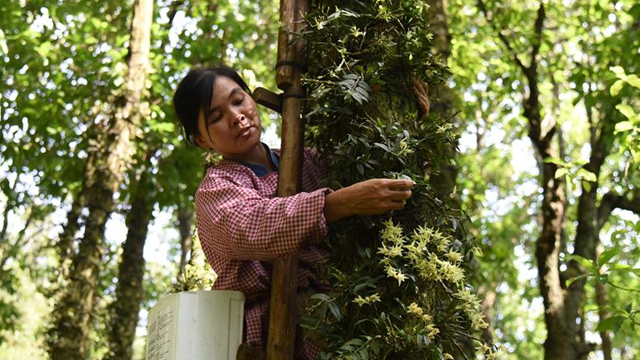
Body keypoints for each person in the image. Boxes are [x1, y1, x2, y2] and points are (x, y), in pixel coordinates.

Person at [173, 66, 417, 359]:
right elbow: (254, 225)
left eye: (239, 101)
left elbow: (374, 170)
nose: (236, 116)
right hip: (277, 332)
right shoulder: (216, 188)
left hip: (350, 308)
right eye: (216, 117)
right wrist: (338, 203)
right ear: (202, 140)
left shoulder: (307, 158)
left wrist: (408, 112)